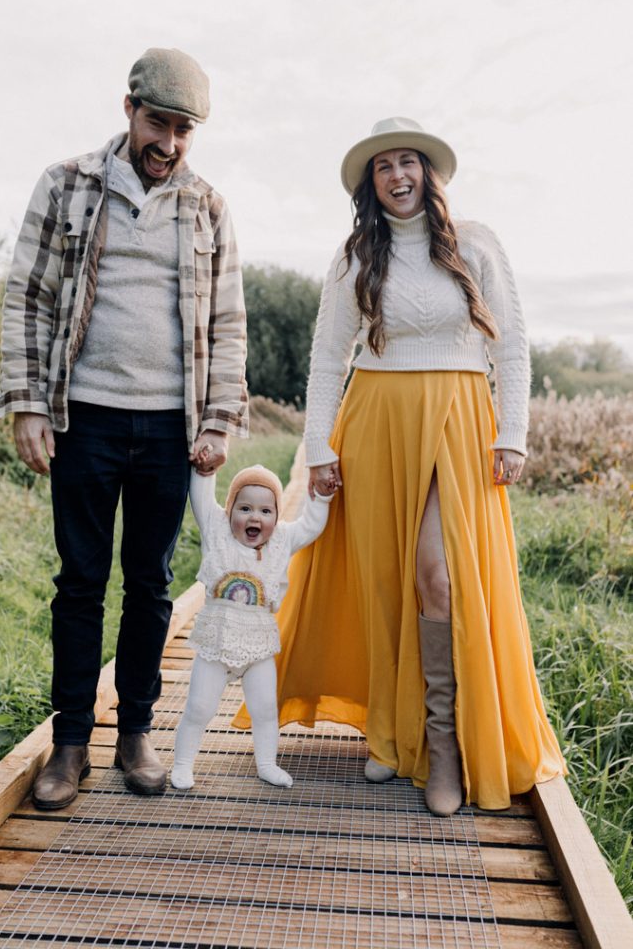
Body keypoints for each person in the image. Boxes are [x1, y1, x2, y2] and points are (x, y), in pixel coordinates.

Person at [234, 117, 565, 814]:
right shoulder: (355, 254)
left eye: (407, 162)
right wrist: (319, 445)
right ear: (369, 182)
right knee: (383, 580)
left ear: (429, 172)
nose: (397, 176)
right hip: (375, 421)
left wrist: (513, 433)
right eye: (382, 166)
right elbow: (328, 356)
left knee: (437, 577)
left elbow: (511, 346)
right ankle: (387, 735)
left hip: (458, 420)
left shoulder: (474, 244)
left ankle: (441, 745)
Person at [0, 47, 248, 809]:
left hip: (169, 430)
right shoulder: (66, 185)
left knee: (151, 585)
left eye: (183, 130)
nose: (168, 143)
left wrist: (219, 419)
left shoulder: (207, 206)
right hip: (85, 420)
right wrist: (27, 403)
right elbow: (26, 297)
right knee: (79, 583)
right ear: (129, 109)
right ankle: (70, 744)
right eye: (158, 123)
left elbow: (228, 322)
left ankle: (133, 732)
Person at [172, 463, 334, 791]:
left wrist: (322, 498)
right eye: (244, 508)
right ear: (230, 510)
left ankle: (266, 764)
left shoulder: (282, 540)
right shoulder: (216, 530)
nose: (254, 518)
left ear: (276, 515)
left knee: (264, 709)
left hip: (258, 643)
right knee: (200, 706)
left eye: (265, 510)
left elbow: (312, 525)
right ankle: (182, 764)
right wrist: (205, 466)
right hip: (216, 638)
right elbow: (201, 497)